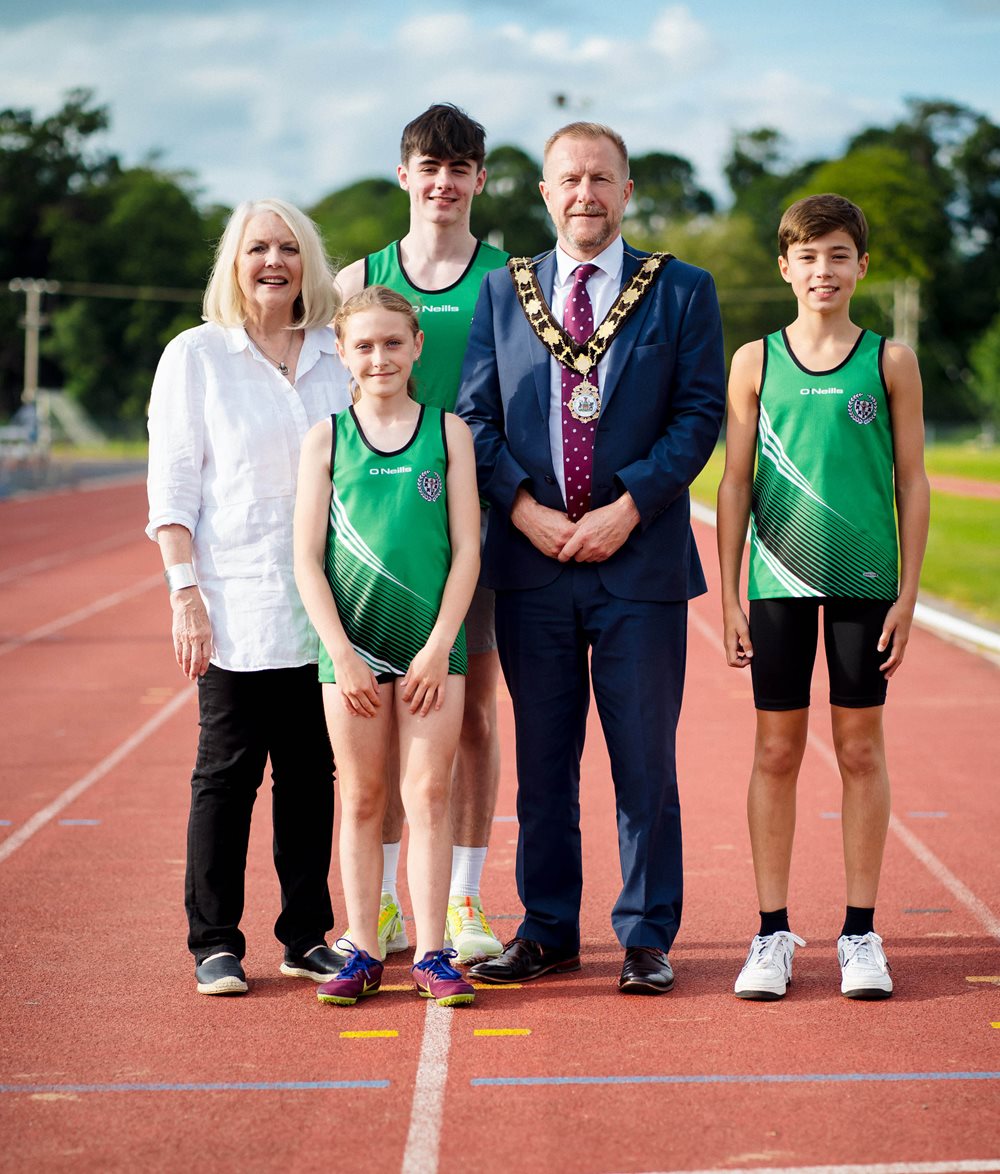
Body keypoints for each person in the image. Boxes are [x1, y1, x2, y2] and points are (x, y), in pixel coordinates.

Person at [456, 122, 726, 994]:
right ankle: (548, 929)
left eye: (602, 179)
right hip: (534, 564)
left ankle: (647, 935)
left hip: (638, 563)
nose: (585, 194)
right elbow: (477, 421)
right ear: (544, 193)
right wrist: (525, 512)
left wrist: (630, 507)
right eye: (569, 179)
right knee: (544, 763)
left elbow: (698, 416)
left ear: (627, 192)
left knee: (645, 760)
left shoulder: (681, 290)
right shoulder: (505, 293)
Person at [717, 193, 930, 1001]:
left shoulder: (889, 361)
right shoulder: (756, 361)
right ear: (785, 267)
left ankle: (860, 933)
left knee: (860, 750)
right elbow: (735, 481)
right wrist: (732, 594)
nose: (823, 270)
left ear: (861, 266)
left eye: (838, 255)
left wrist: (909, 593)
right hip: (777, 583)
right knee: (775, 752)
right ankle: (771, 933)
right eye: (807, 257)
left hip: (864, 584)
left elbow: (912, 479)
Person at [146, 198, 351, 995]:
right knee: (227, 772)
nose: (275, 262)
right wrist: (184, 593)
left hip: (330, 606)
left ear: (310, 264)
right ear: (233, 263)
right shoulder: (196, 356)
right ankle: (214, 942)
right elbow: (173, 485)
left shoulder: (338, 353)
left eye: (289, 249)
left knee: (312, 775)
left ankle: (305, 935)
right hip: (236, 600)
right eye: (258, 248)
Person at [336, 104, 509, 964]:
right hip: (378, 539)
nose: (443, 183)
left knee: (468, 711)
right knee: (373, 731)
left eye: (460, 168)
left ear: (480, 179)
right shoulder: (355, 281)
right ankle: (393, 908)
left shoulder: (512, 278)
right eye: (428, 167)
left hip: (469, 529)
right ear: (404, 175)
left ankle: (466, 899)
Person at [293, 285, 481, 1007]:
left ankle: (434, 952)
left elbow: (467, 550)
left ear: (416, 347)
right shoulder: (327, 438)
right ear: (341, 353)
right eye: (363, 346)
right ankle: (365, 948)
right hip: (351, 648)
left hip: (432, 647)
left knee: (429, 793)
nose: (379, 357)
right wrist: (339, 652)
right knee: (365, 797)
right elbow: (307, 557)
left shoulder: (448, 433)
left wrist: (438, 646)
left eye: (392, 343)